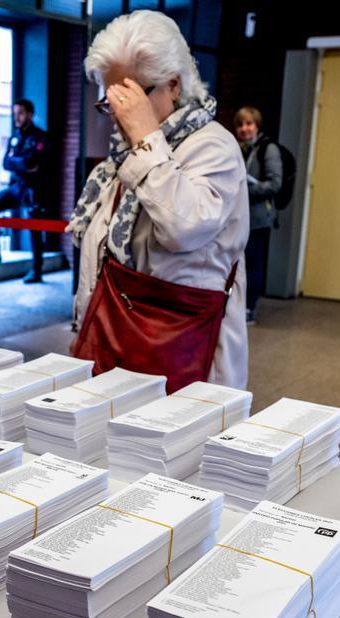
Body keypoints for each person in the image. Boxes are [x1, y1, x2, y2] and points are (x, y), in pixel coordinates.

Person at [68, 10, 249, 389]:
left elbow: (183, 227)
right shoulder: (127, 153)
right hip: (116, 338)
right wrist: (85, 326)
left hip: (184, 352)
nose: (117, 113)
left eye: (130, 97)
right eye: (110, 100)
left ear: (174, 85)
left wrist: (148, 142)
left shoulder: (213, 145)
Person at [233, 106, 282, 325]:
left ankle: (249, 307)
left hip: (258, 218)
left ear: (257, 126)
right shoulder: (238, 149)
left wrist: (246, 188)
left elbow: (275, 184)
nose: (244, 129)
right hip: (239, 217)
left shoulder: (267, 150)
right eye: (240, 124)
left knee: (253, 263)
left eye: (249, 124)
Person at [0, 99, 48, 283]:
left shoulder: (40, 137)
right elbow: (5, 163)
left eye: (21, 113)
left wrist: (19, 162)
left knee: (34, 227)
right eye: (15, 113)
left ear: (30, 114)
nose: (17, 117)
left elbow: (32, 162)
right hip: (16, 186)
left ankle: (36, 271)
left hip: (33, 188)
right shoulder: (15, 136)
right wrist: (21, 163)